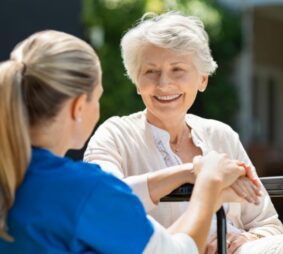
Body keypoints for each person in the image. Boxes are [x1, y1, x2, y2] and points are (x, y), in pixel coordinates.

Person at [0, 30, 257, 254]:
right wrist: (209, 184)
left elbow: (159, 248)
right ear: (79, 106)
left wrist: (188, 173)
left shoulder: (16, 177)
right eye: (98, 98)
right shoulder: (85, 189)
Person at [84, 12, 283, 254]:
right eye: (150, 71)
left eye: (177, 69)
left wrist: (243, 241)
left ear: (202, 79)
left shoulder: (222, 135)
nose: (163, 84)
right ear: (137, 82)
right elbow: (104, 202)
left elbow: (268, 224)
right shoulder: (114, 135)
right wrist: (191, 172)